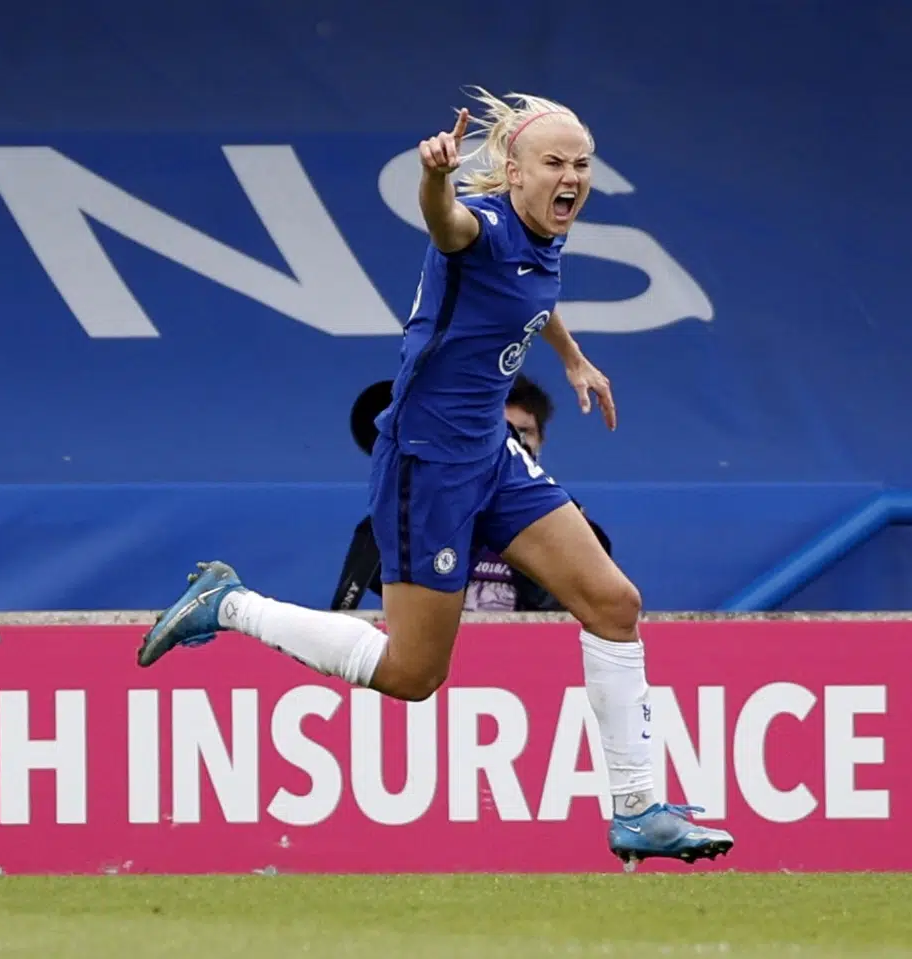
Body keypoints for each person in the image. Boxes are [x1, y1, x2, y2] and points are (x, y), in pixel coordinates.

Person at [137, 87, 733, 869]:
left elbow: (532, 293)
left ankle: (638, 810)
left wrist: (573, 357)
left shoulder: (542, 235)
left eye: (582, 164)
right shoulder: (478, 225)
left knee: (615, 602)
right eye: (554, 162)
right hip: (428, 464)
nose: (572, 176)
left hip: (489, 451)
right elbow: (446, 225)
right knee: (413, 672)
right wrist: (434, 179)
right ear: (512, 172)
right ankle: (230, 601)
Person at [330, 373, 612, 612]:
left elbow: (579, 599)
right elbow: (377, 586)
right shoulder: (420, 518)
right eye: (501, 433)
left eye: (525, 433)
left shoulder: (564, 521)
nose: (515, 444)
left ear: (541, 440)